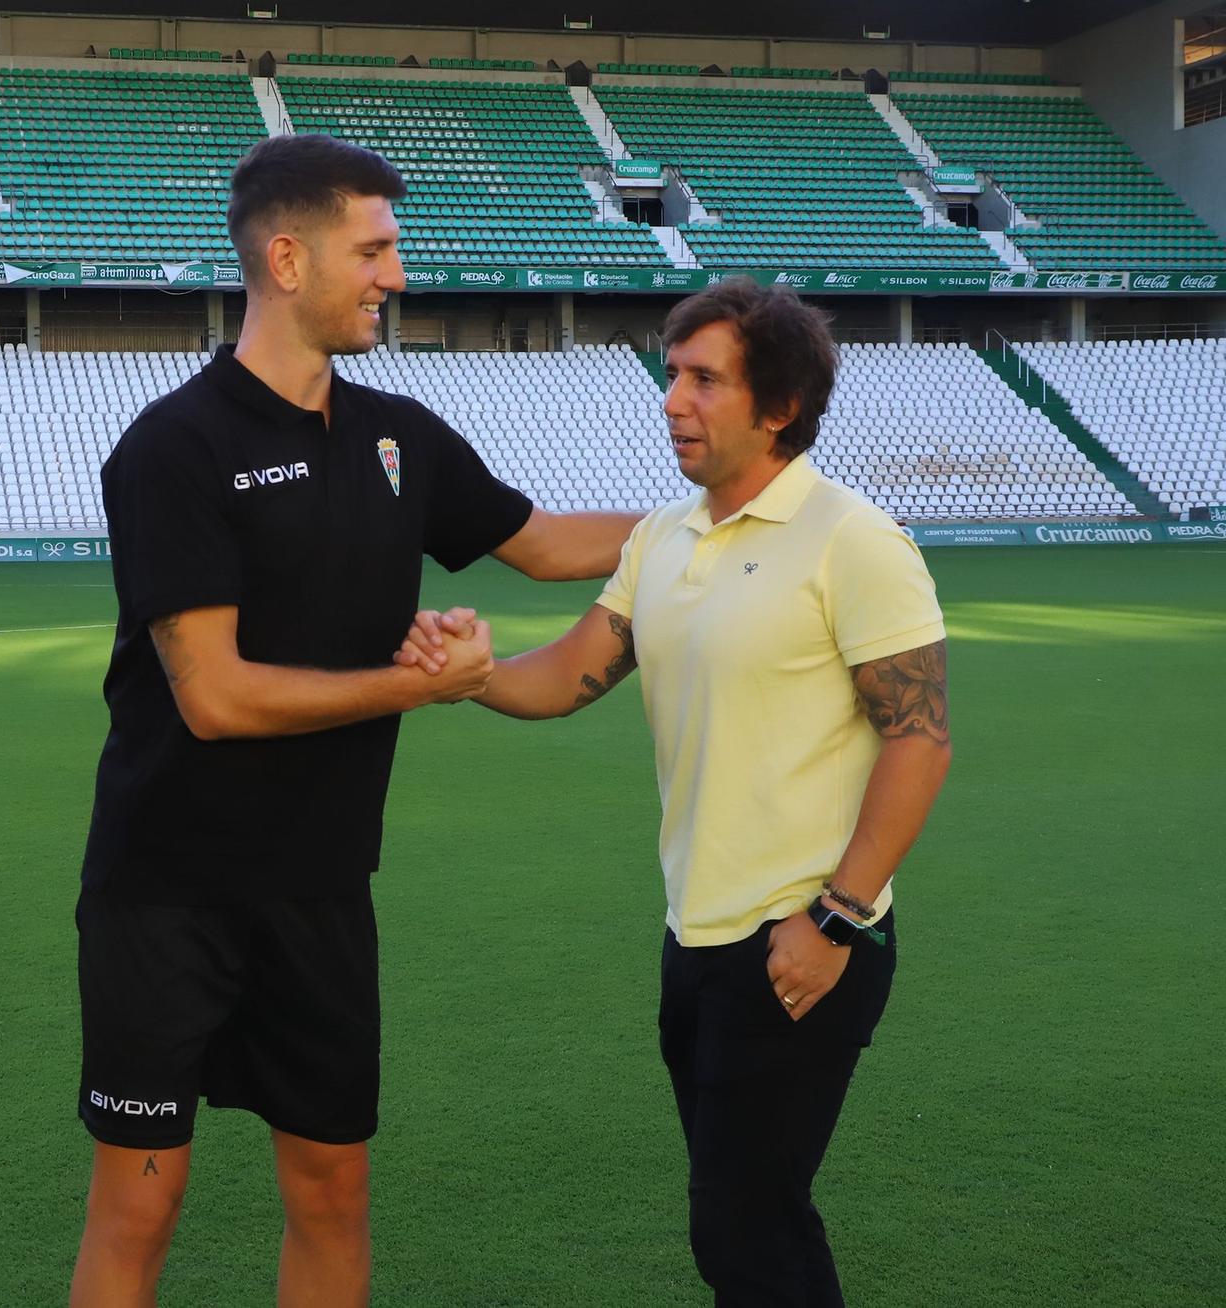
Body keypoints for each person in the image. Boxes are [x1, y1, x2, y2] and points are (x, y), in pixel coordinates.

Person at [69, 133, 642, 1307]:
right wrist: (412, 686)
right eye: (371, 249)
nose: (394, 273)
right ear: (286, 257)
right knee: (141, 1203)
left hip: (322, 888)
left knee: (331, 1190)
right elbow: (214, 698)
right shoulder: (173, 448)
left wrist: (729, 516)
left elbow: (540, 547)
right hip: (165, 895)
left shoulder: (400, 436)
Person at [407, 278, 952, 1306]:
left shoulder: (852, 540)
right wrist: (466, 674)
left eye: (704, 380)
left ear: (777, 405)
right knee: (748, 1221)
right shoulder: (660, 537)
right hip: (693, 937)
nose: (671, 399)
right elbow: (570, 673)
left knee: (743, 1229)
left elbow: (918, 742)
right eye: (670, 375)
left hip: (803, 939)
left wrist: (831, 920)